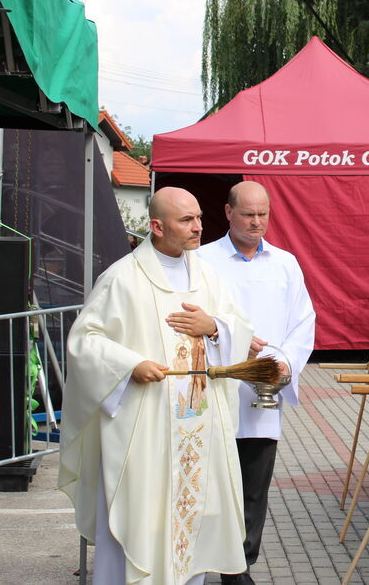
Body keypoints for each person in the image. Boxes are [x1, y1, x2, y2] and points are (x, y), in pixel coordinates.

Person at [59, 187, 255, 585]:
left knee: (194, 518)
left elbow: (239, 325)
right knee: (142, 515)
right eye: (186, 220)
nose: (198, 227)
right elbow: (85, 342)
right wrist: (131, 364)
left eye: (199, 218)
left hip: (198, 424)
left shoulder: (208, 276)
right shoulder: (123, 278)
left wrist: (214, 327)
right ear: (156, 226)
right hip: (144, 425)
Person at [198, 181, 316, 585]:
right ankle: (199, 558)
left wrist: (281, 364)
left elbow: (303, 321)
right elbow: (187, 317)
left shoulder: (285, 264)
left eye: (263, 214)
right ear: (228, 213)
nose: (256, 221)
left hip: (262, 394)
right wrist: (228, 338)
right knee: (210, 481)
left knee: (253, 486)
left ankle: (240, 567)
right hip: (215, 386)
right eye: (248, 213)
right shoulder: (202, 261)